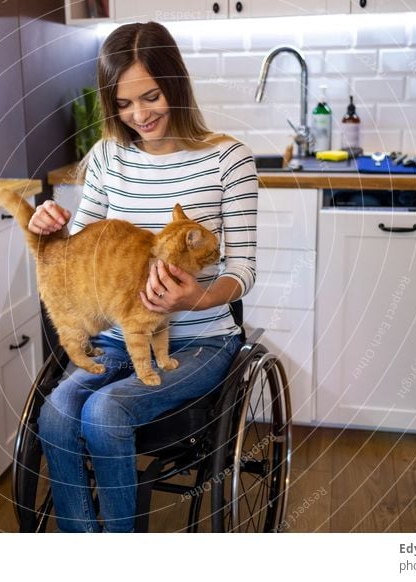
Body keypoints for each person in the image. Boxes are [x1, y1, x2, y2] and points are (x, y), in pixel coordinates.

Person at [30, 21, 258, 533]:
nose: (140, 115)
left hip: (199, 343)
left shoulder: (228, 159)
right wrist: (50, 230)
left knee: (105, 413)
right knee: (56, 415)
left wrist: (196, 299)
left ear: (175, 82)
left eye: (151, 96)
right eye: (125, 105)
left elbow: (243, 267)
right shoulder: (110, 157)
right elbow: (84, 245)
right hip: (116, 336)